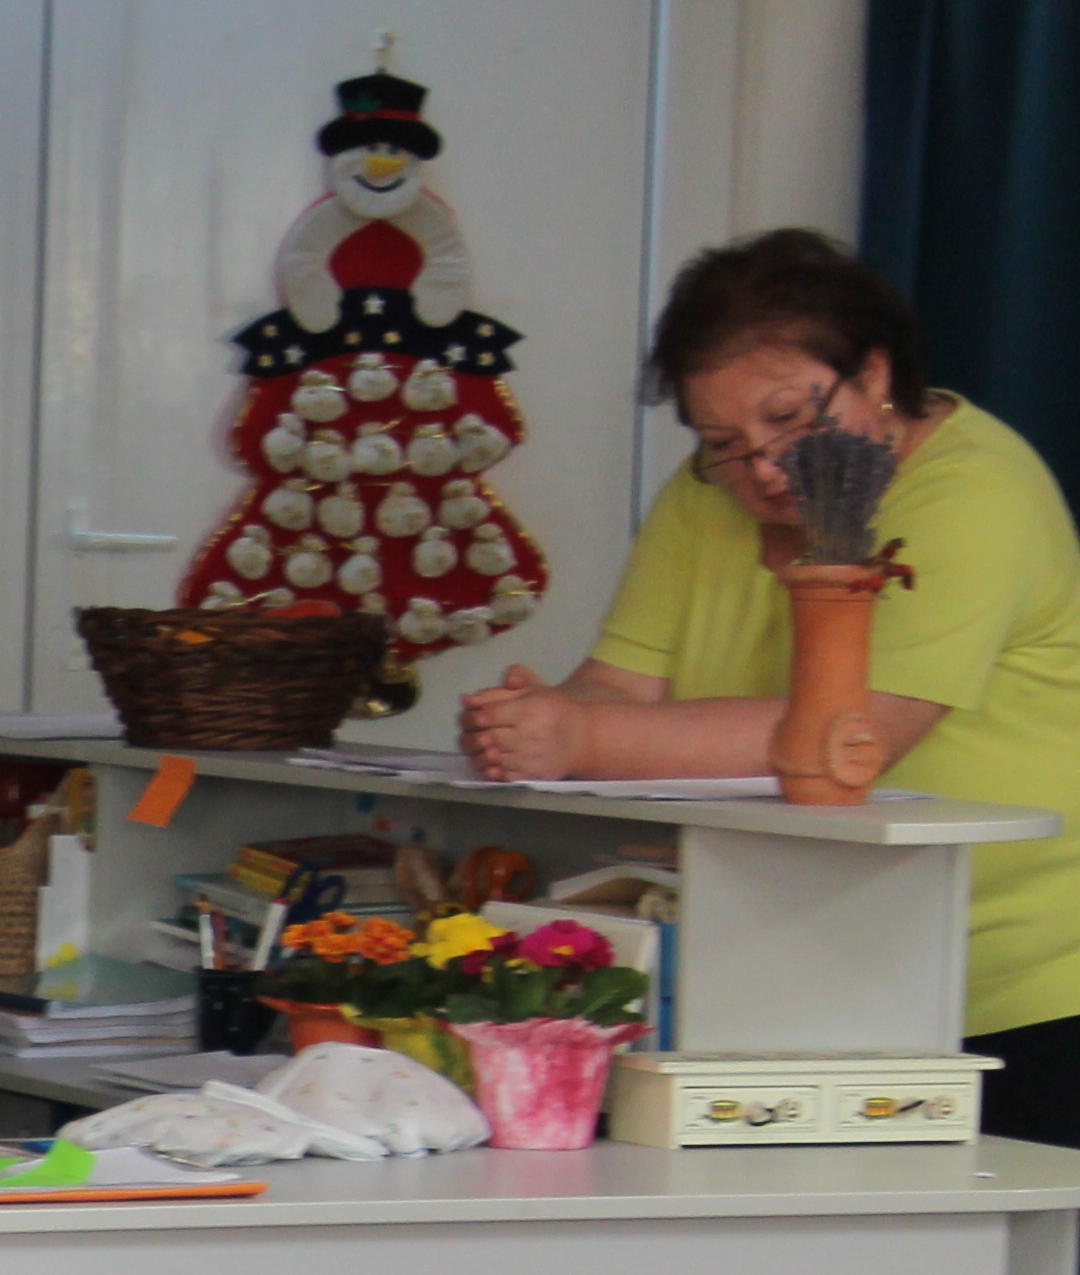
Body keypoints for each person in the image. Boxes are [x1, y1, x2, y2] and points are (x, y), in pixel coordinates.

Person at [461, 229, 1080, 1091]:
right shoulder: (705, 490)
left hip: (1011, 988)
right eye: (724, 440)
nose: (766, 467)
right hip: (776, 968)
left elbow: (850, 736)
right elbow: (622, 683)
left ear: (875, 374)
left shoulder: (977, 495)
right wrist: (533, 724)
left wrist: (581, 738)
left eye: (788, 420)